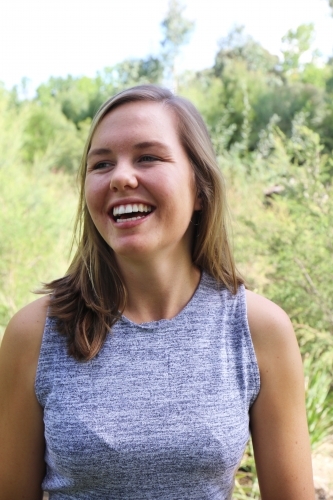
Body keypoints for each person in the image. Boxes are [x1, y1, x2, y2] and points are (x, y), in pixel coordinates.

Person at [0, 85, 315, 499]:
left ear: (200, 187)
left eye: (147, 157)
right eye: (101, 164)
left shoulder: (259, 329)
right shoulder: (35, 333)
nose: (121, 177)